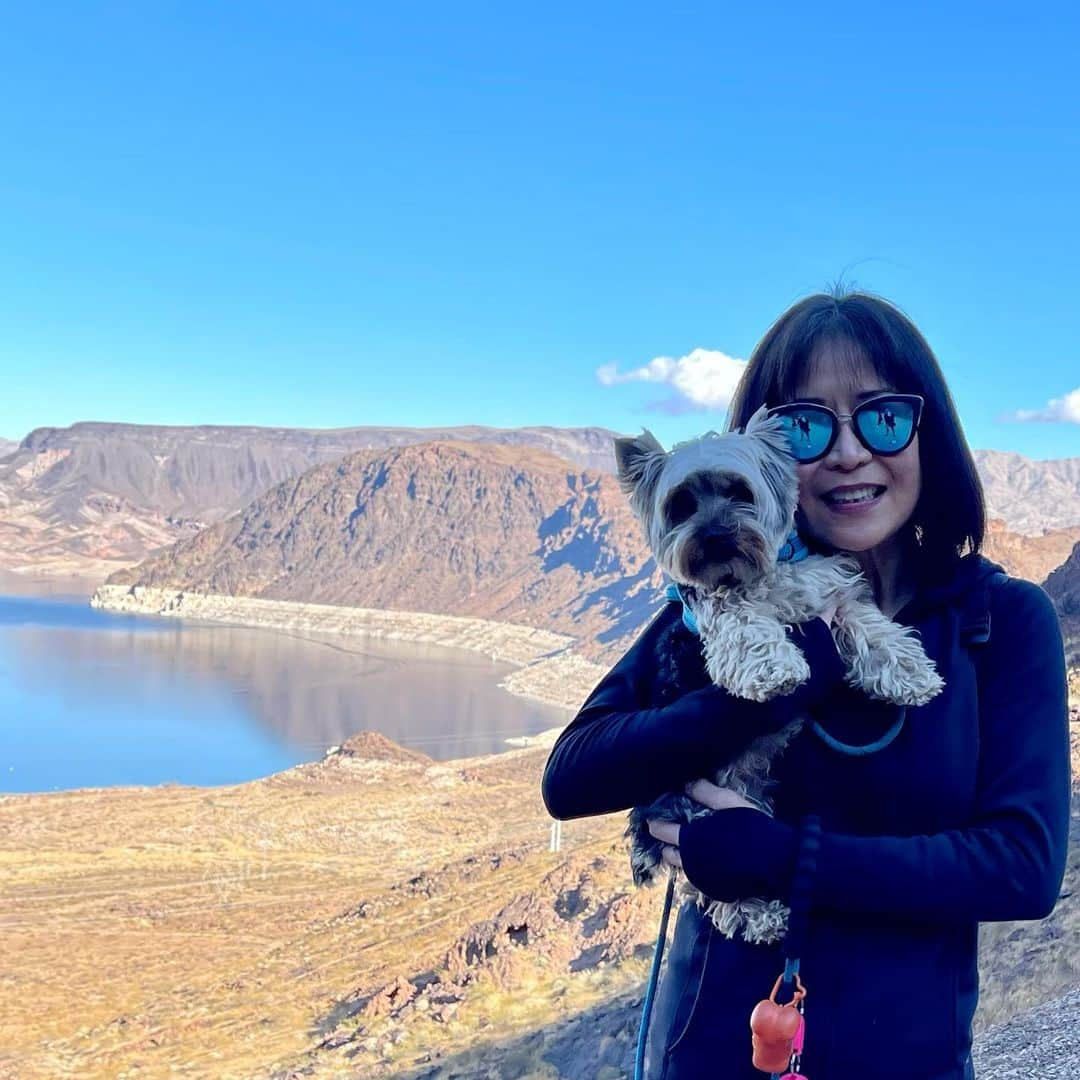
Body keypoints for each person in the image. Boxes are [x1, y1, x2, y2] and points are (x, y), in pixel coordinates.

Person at [541, 290, 1071, 1079]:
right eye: (807, 426)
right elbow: (574, 776)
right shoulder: (712, 602)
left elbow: (1021, 866)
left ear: (932, 437)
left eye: (884, 416)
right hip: (714, 1050)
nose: (850, 452)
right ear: (771, 457)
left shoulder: (999, 623)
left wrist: (782, 858)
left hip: (903, 1057)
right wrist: (777, 685)